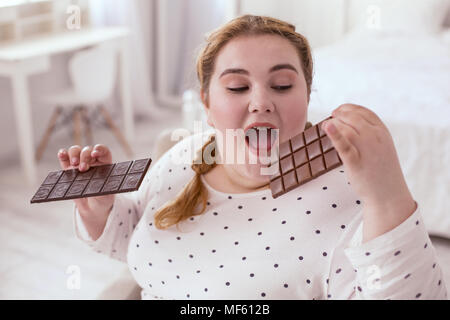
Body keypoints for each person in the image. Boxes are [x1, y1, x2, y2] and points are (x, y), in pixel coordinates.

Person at [58, 15, 447, 300]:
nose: (261, 102)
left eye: (281, 85)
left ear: (308, 97)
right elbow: (134, 243)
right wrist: (100, 211)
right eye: (238, 86)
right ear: (208, 104)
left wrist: (389, 197)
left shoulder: (353, 195)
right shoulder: (182, 157)